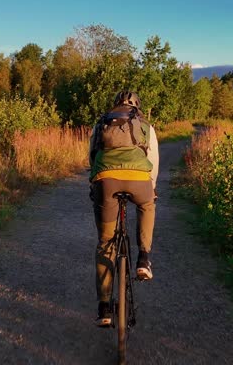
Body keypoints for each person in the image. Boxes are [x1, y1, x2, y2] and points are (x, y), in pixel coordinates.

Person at [89, 90, 159, 327]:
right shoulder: (145, 125)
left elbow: (92, 155)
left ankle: (105, 308)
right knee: (147, 204)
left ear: (115, 104)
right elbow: (154, 163)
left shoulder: (102, 121)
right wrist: (152, 189)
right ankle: (143, 259)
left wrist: (96, 183)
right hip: (139, 180)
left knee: (105, 242)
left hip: (105, 179)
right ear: (137, 107)